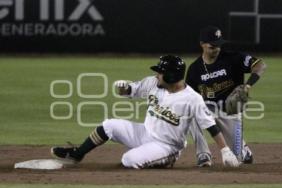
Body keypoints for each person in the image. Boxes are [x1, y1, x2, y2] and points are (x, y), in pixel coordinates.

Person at [51, 55, 240, 169]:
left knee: (129, 160)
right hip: (144, 133)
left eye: (160, 72)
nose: (157, 74)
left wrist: (225, 151)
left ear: (172, 75)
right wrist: (123, 88)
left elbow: (211, 126)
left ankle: (164, 160)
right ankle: (77, 154)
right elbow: (132, 90)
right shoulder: (153, 83)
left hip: (167, 146)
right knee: (109, 125)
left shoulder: (192, 98)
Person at [186, 26, 267, 167]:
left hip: (230, 112)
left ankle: (243, 150)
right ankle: (203, 155)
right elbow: (188, 96)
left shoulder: (234, 58)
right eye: (212, 46)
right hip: (208, 110)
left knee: (238, 159)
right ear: (202, 44)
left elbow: (260, 65)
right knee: (190, 111)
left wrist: (248, 85)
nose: (217, 48)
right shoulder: (194, 69)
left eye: (219, 45)